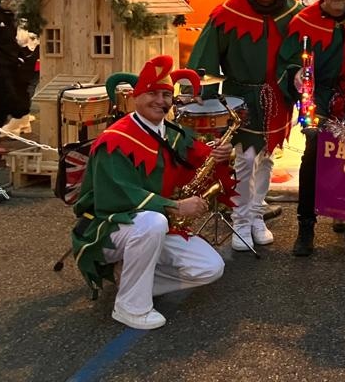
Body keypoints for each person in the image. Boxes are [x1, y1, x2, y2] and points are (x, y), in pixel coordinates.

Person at [70, 56, 234, 330]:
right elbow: (118, 195)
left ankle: (130, 281)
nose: (161, 101)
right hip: (107, 225)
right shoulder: (114, 140)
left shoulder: (173, 133)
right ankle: (130, 307)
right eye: (153, 94)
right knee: (152, 222)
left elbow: (202, 159)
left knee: (210, 268)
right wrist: (176, 206)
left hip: (155, 226)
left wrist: (220, 154)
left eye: (166, 95)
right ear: (137, 96)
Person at [187, 0, 302, 252]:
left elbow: (305, 50)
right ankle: (239, 219)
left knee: (266, 158)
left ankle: (256, 214)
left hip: (278, 95)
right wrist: (202, 91)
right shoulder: (228, 13)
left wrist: (299, 76)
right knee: (245, 158)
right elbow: (206, 56)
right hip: (240, 97)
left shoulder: (294, 12)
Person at [278, 0, 345, 256]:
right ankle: (306, 226)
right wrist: (293, 74)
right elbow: (289, 59)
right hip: (315, 96)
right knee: (315, 154)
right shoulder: (304, 20)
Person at [0, 0, 31, 131]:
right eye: (16, 2)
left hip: (10, 64)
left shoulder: (13, 20)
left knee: (6, 99)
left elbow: (12, 42)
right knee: (5, 94)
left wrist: (20, 57)